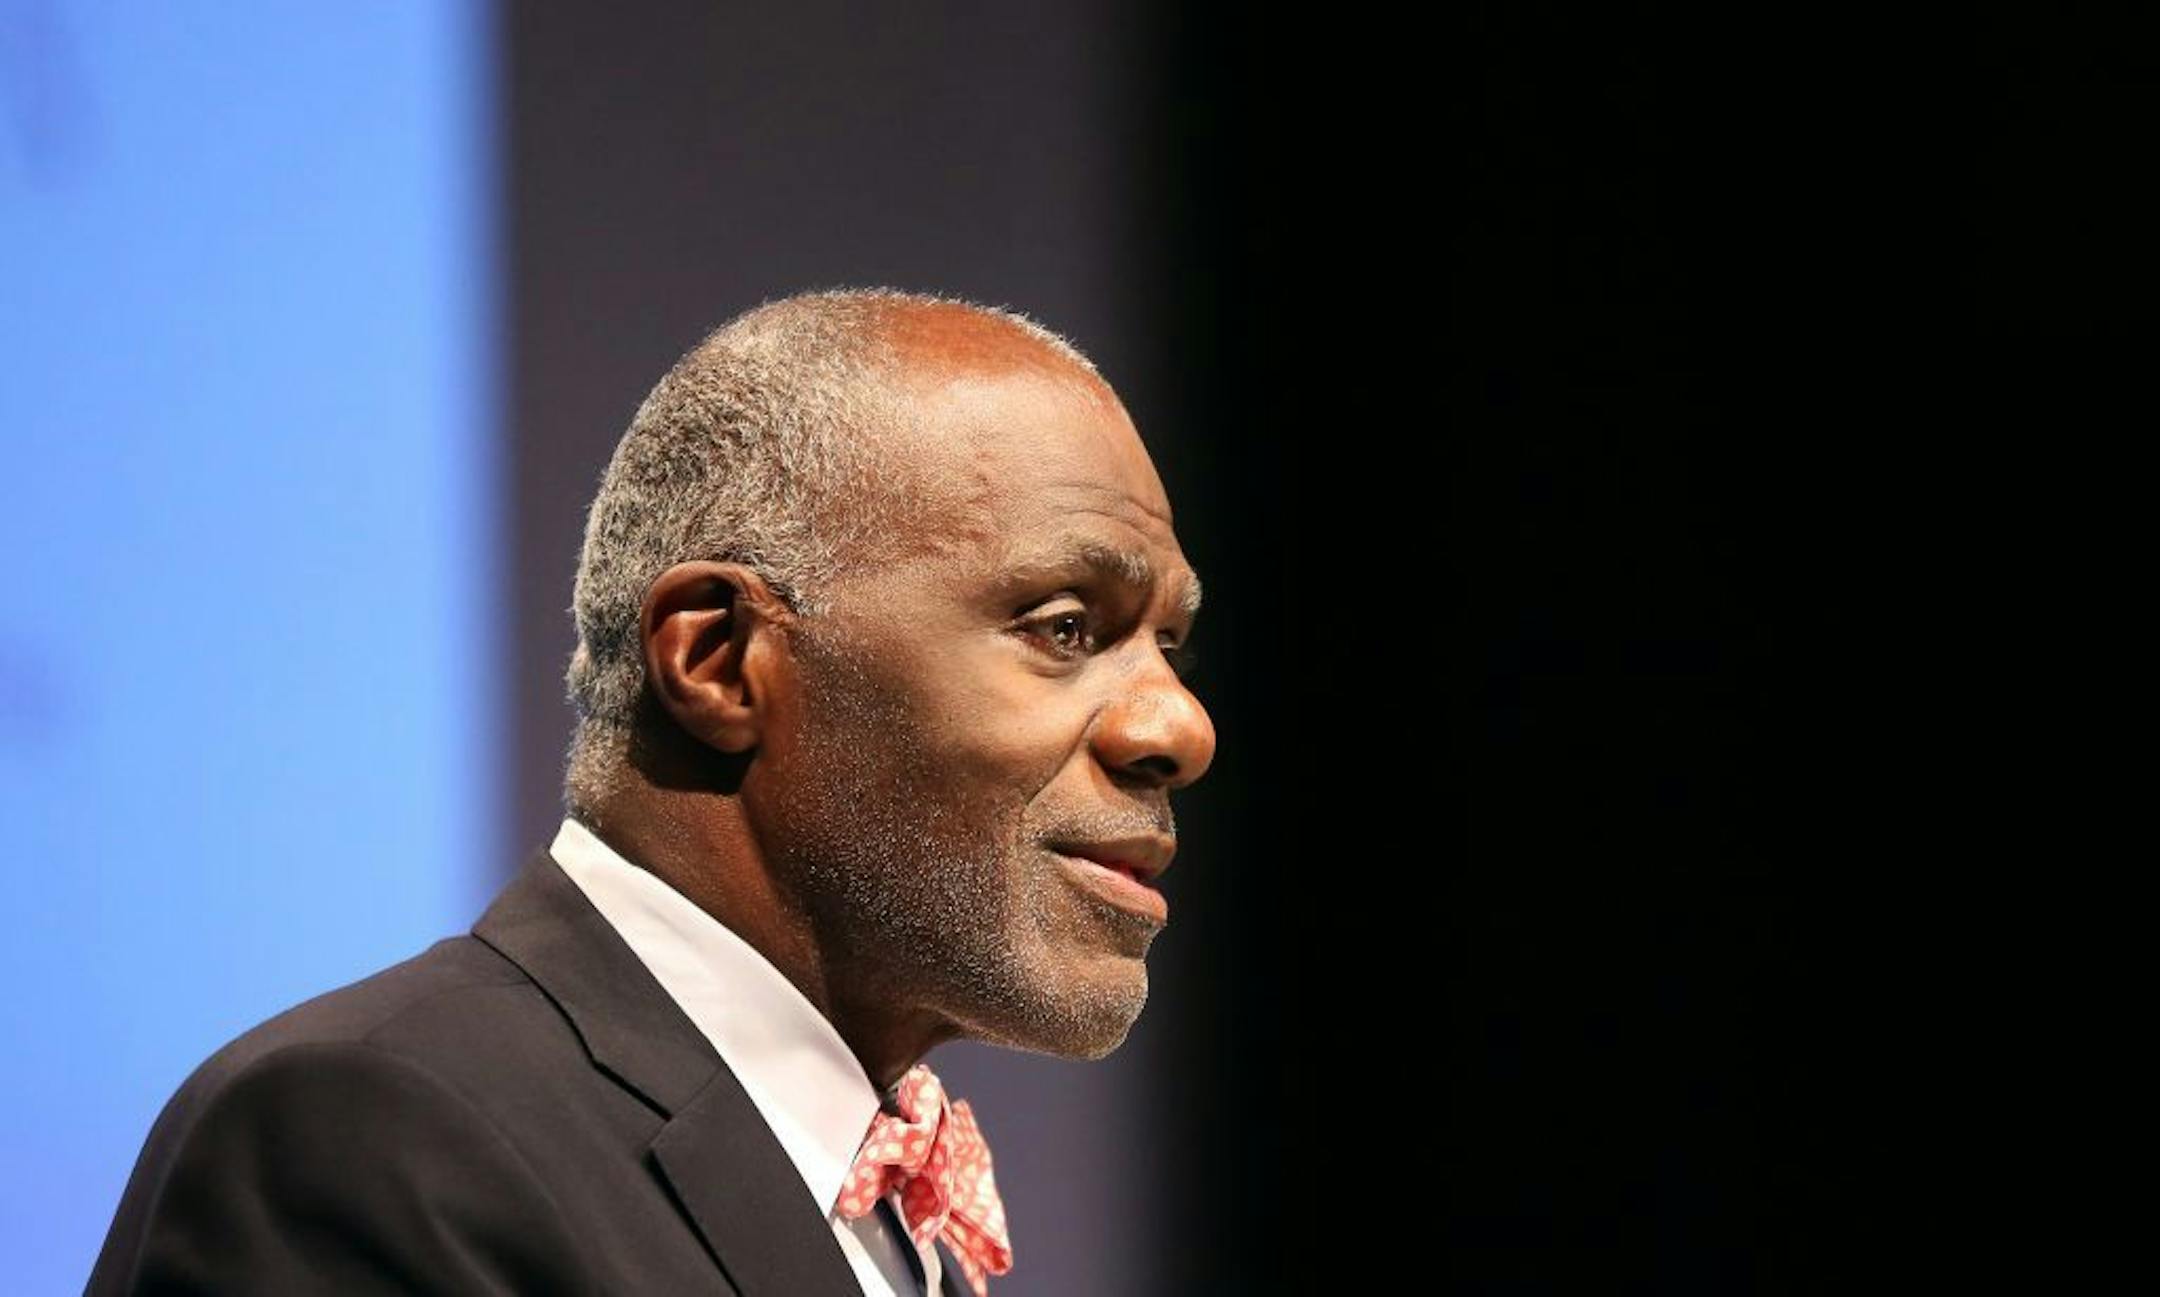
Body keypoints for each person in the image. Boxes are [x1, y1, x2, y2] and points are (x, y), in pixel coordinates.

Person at [86, 289, 1215, 1296]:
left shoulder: (891, 1218)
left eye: (1171, 646)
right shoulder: (370, 1138)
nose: (1180, 727)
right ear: (720, 659)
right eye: (1066, 627)